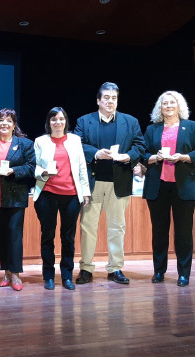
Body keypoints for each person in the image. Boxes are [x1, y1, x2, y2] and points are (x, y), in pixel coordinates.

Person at [73, 82, 145, 285]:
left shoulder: (130, 122)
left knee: (117, 227)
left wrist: (127, 157)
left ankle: (115, 268)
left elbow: (140, 145)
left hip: (119, 182)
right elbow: (77, 144)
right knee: (88, 227)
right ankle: (86, 268)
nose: (110, 101)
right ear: (98, 100)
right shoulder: (84, 121)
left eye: (114, 98)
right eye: (106, 97)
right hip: (93, 183)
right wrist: (95, 153)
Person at [143, 90, 195, 287]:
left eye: (172, 102)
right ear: (159, 108)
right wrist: (155, 158)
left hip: (184, 186)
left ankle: (184, 274)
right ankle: (159, 271)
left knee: (183, 233)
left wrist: (183, 157)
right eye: (164, 103)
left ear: (180, 105)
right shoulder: (152, 129)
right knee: (159, 232)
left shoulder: (192, 127)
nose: (168, 106)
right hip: (158, 186)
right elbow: (142, 153)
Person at [32, 107, 90, 291]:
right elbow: (33, 166)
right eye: (54, 119)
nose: (58, 123)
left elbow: (81, 166)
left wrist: (86, 192)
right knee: (47, 236)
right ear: (49, 122)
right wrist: (43, 172)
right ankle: (48, 275)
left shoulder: (75, 140)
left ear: (66, 122)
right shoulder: (40, 141)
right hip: (47, 194)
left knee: (68, 237)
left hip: (71, 195)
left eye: (61, 119)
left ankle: (67, 276)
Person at [0, 108, 35, 291]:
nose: (4, 123)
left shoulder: (24, 144)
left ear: (14, 125)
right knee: (1, 236)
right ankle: (6, 271)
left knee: (14, 236)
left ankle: (16, 273)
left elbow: (31, 167)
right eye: (1, 120)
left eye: (8, 121)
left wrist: (14, 170)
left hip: (15, 196)